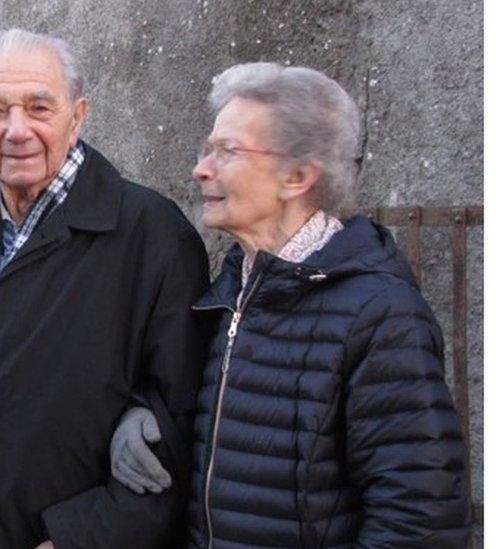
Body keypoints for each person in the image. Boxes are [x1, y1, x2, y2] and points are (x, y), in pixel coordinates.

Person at [110, 62, 470, 547]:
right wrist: (141, 411)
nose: (201, 168)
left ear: (297, 177)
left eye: (228, 151)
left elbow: (419, 521)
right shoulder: (232, 292)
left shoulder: (380, 315)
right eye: (207, 148)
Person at [0, 29, 210, 548]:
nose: (17, 130)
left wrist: (81, 538)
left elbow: (181, 417)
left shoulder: (152, 235)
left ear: (78, 116)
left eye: (39, 108)